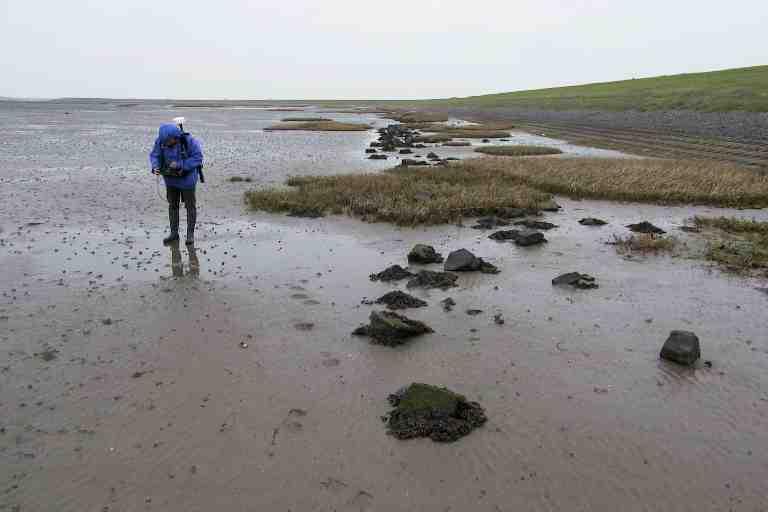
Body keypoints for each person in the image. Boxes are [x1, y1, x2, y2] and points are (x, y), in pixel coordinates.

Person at [149, 123, 204, 245]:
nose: (165, 144)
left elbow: (198, 158)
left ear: (175, 138)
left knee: (190, 206)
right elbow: (155, 155)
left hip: (187, 180)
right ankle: (174, 234)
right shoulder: (161, 141)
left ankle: (190, 235)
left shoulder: (188, 141)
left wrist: (180, 164)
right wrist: (155, 166)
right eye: (164, 142)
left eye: (168, 142)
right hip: (170, 180)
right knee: (172, 205)